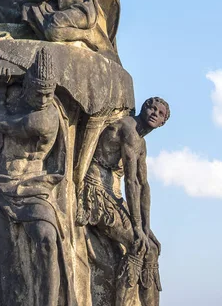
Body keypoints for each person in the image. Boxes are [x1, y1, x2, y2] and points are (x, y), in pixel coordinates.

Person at [0, 48, 74, 306]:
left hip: (34, 186)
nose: (45, 98)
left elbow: (1, 123)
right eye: (39, 92)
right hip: (0, 183)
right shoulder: (18, 98)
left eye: (49, 92)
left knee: (47, 237)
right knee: (4, 254)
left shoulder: (44, 118)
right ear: (27, 85)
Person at [77, 97, 170, 306]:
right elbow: (131, 180)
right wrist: (137, 228)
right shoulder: (129, 128)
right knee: (137, 245)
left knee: (152, 248)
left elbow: (143, 184)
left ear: (163, 122)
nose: (155, 113)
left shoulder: (141, 142)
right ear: (144, 109)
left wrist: (147, 227)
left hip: (112, 190)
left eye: (160, 113)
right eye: (151, 108)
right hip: (96, 188)